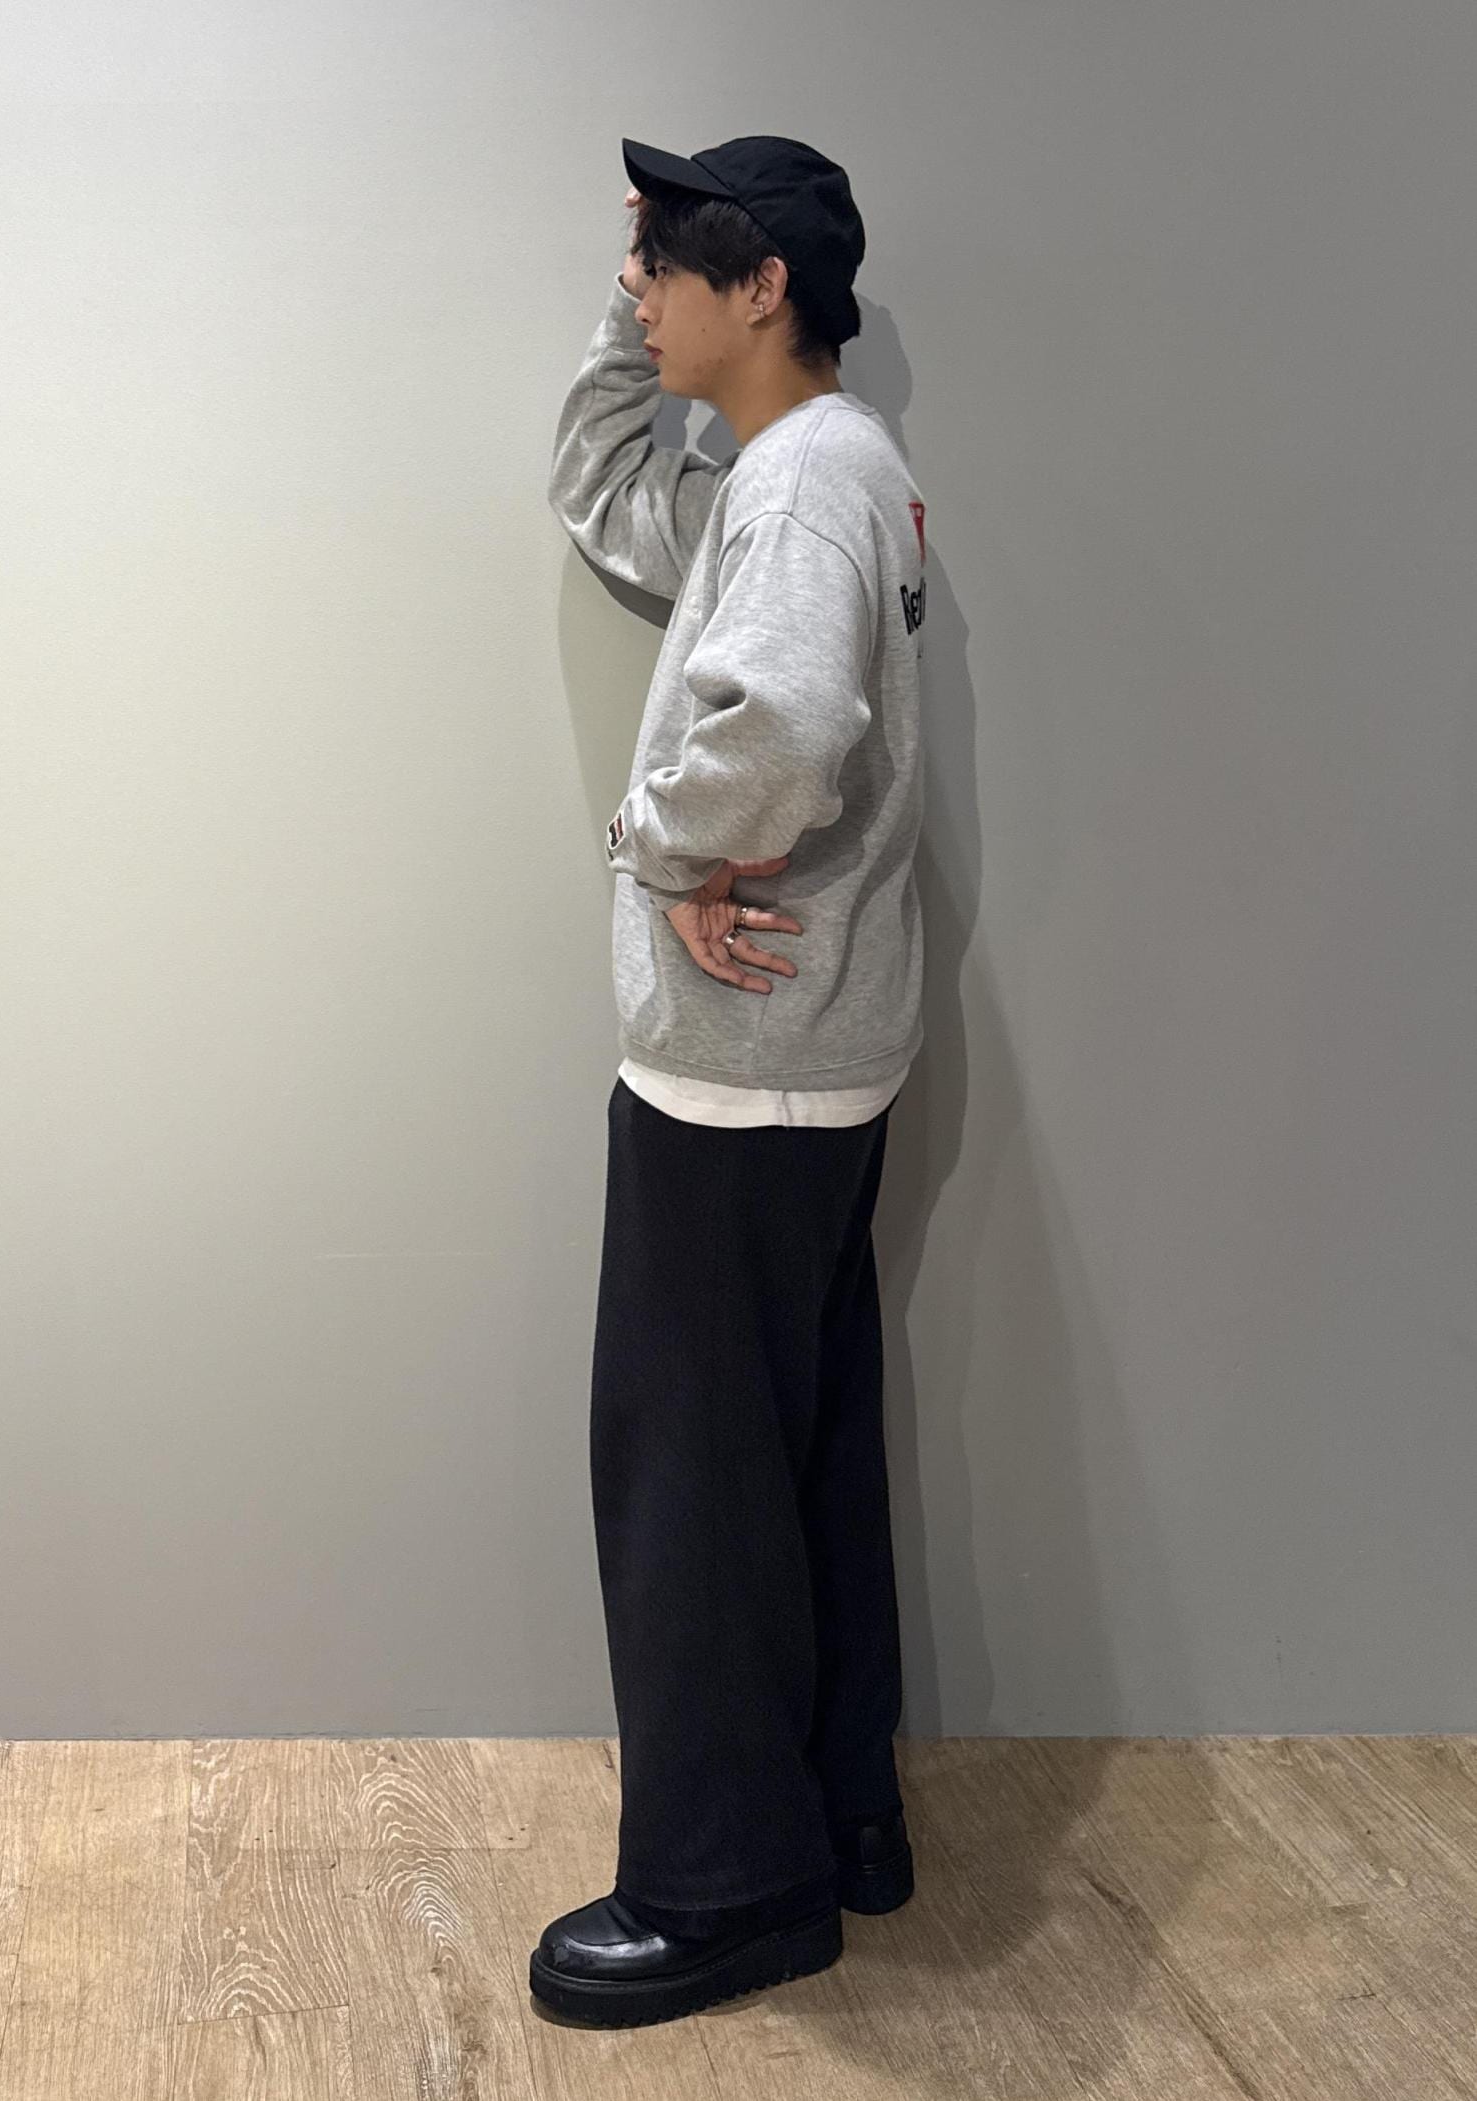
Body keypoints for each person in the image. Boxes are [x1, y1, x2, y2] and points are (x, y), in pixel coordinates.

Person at [529, 134, 926, 2028]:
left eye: (670, 272)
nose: (646, 295)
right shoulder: (802, 471)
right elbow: (601, 483)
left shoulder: (804, 491)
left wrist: (658, 849)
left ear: (761, 287)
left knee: (690, 1487)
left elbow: (783, 729)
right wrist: (622, 308)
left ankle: (725, 1890)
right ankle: (840, 1818)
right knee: (792, 1459)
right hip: (803, 1068)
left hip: (742, 1075)